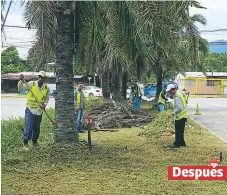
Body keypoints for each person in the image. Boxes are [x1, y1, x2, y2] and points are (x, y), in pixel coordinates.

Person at [18, 71, 50, 151]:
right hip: (30, 109)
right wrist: (21, 80)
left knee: (37, 128)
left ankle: (35, 142)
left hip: (39, 111)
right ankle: (25, 143)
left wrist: (45, 104)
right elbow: (20, 89)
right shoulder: (31, 84)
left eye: (43, 78)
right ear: (38, 77)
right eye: (40, 77)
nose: (41, 79)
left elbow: (47, 98)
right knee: (29, 127)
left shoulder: (46, 88)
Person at [166, 84, 188, 148]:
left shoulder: (176, 96)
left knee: (178, 131)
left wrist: (174, 112)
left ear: (173, 90)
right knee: (181, 131)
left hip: (180, 116)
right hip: (183, 115)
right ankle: (182, 143)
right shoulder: (179, 93)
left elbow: (179, 108)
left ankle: (177, 144)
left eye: (170, 91)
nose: (169, 93)